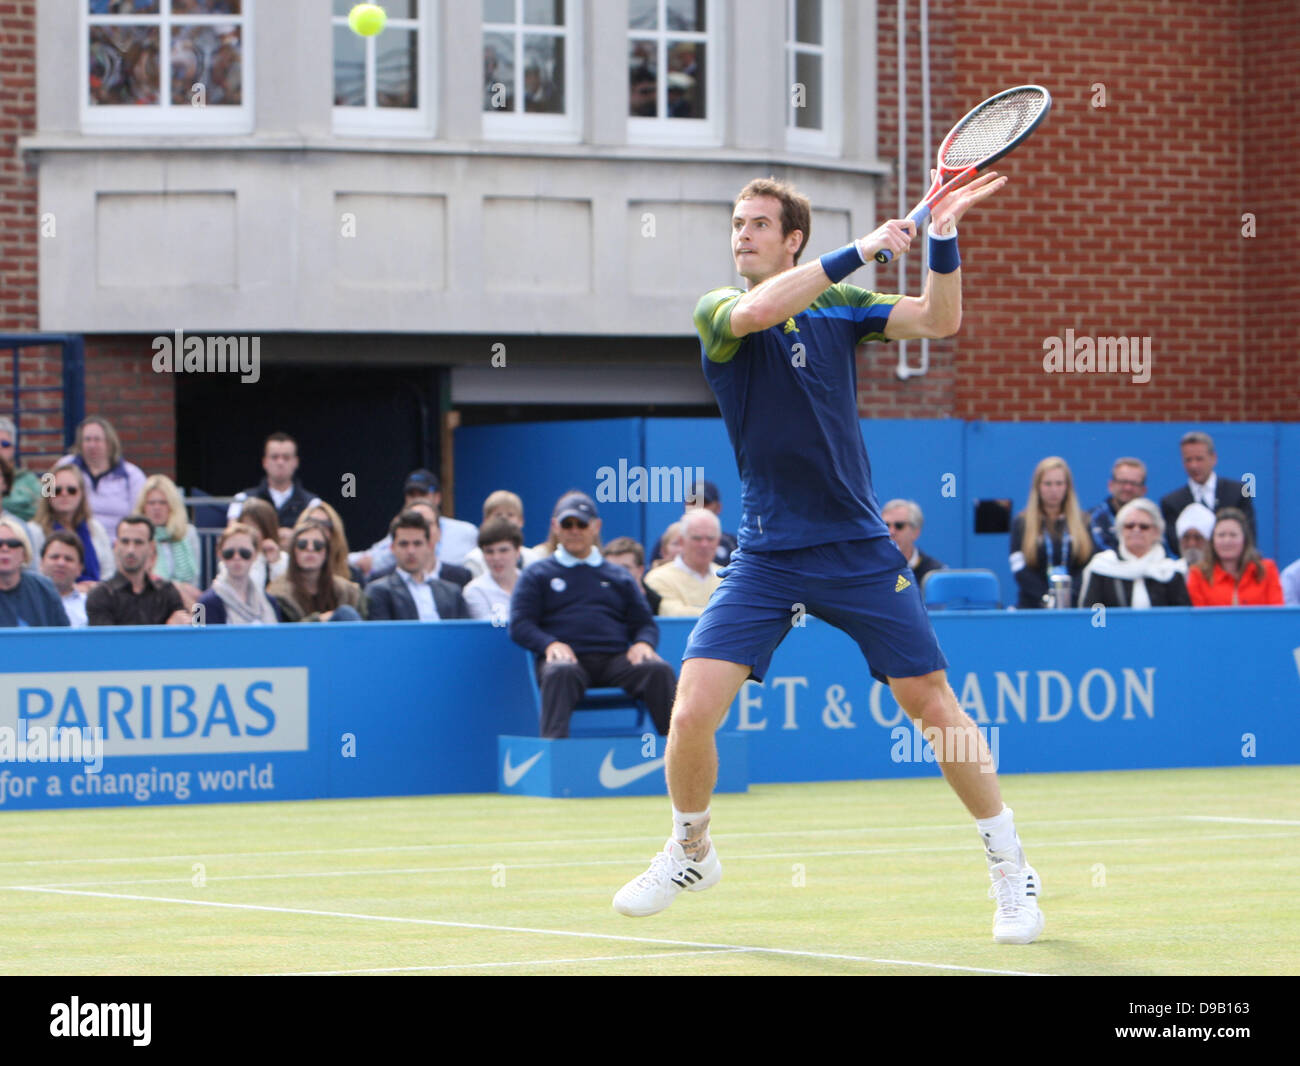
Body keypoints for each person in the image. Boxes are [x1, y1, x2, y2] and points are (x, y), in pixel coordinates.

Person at [611, 173, 1045, 945]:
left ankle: (1011, 869)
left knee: (933, 707)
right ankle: (690, 850)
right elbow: (757, 309)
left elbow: (938, 321)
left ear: (792, 239)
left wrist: (939, 237)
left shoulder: (842, 307)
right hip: (770, 554)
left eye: (758, 225)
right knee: (689, 709)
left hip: (857, 549)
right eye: (737, 223)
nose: (741, 234)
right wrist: (864, 248)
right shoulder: (720, 310)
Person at [509, 491, 674, 740]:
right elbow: (520, 624)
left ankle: (680, 753)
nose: (574, 530)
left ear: (596, 527)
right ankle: (556, 758)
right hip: (567, 660)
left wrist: (642, 643)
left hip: (615, 660)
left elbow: (645, 624)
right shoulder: (537, 575)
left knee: (657, 670)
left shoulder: (618, 576)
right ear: (555, 527)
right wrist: (549, 643)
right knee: (559, 672)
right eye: (567, 524)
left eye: (581, 524)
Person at [1009, 457, 1093, 609]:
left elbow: (1088, 565)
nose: (1054, 490)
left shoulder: (1084, 521)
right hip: (1033, 606)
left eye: (1059, 483)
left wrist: (1070, 595)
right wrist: (1046, 598)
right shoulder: (1022, 523)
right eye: (1048, 484)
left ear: (1067, 487)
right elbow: (1019, 568)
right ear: (1038, 487)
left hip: (1075, 606)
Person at [1077, 499, 1190, 608]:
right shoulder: (1103, 567)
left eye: (1144, 527)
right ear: (1120, 530)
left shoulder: (1170, 571)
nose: (1136, 530)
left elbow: (1181, 618)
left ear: (1156, 532)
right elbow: (1093, 616)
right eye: (1129, 526)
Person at [1159, 431, 1255, 556]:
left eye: (1199, 459)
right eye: (1188, 460)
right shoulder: (1171, 502)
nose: (1194, 465)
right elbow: (1175, 544)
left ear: (1213, 458)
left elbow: (1249, 536)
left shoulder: (1238, 492)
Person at [56, 415, 146, 542]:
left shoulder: (133, 475)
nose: (92, 445)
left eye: (97, 440)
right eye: (87, 439)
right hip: (73, 542)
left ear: (109, 443)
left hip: (117, 545)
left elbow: (140, 517)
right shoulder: (62, 465)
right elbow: (44, 496)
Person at [366, 512, 469, 621]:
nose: (411, 551)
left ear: (429, 546)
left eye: (417, 544)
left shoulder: (452, 592)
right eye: (404, 544)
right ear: (392, 548)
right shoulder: (378, 591)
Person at [86, 516, 188, 626]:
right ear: (116, 545)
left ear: (151, 547)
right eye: (125, 542)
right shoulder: (101, 594)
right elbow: (107, 642)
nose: (131, 550)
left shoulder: (167, 592)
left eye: (138, 542)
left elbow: (195, 627)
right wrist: (168, 630)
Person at [226, 432, 321, 544]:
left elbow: (320, 539)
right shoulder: (241, 499)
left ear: (296, 462)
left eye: (286, 457)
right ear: (264, 462)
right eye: (274, 457)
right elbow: (231, 536)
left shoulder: (313, 504)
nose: (280, 462)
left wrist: (295, 537)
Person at [30, 463, 114, 587]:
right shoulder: (34, 531)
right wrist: (72, 589)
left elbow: (109, 572)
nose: (64, 494)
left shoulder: (95, 528)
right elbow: (34, 575)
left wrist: (94, 588)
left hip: (94, 598)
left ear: (81, 494)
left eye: (72, 490)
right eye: (57, 490)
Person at [267, 517, 364, 622]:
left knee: (346, 613)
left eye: (318, 545)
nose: (310, 549)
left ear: (326, 552)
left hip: (342, 637)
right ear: (293, 551)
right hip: (300, 638)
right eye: (302, 545)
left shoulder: (348, 592)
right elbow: (282, 635)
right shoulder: (278, 594)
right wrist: (318, 620)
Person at [1186, 507, 1284, 607]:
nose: (1227, 541)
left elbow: (1277, 614)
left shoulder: (1266, 570)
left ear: (1244, 539)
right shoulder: (1197, 574)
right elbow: (1198, 619)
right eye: (1221, 535)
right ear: (1212, 541)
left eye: (1233, 535)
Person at [135, 474, 202, 608]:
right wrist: (175, 588)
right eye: (151, 503)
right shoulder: (137, 536)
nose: (157, 508)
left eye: (162, 502)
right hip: (149, 601)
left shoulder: (189, 533)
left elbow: (195, 580)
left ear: (172, 506)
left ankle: (198, 628)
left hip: (186, 599)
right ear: (143, 507)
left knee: (201, 607)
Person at [196, 523, 281, 625]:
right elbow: (195, 638)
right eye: (229, 553)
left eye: (244, 553)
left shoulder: (270, 602)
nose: (237, 558)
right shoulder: (202, 604)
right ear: (220, 554)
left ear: (255, 555)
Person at [643, 508, 723, 616]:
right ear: (682, 541)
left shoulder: (726, 577)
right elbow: (673, 613)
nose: (704, 545)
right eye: (697, 538)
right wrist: (723, 614)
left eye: (710, 538)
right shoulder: (658, 578)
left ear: (718, 541)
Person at [0, 517, 69, 627]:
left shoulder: (44, 588)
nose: (5, 548)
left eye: (13, 543)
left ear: (24, 552)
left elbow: (63, 635)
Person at [462, 490, 543, 578]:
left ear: (521, 521)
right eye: (498, 515)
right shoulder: (474, 560)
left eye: (510, 515)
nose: (504, 519)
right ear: (486, 520)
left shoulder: (534, 558)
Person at [463, 518, 523, 623]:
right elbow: (490, 630)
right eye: (489, 552)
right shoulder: (474, 590)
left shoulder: (535, 584)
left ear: (517, 551)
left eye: (503, 550)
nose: (496, 558)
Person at [223, 496, 287, 589]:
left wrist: (275, 563)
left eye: (255, 528)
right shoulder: (233, 557)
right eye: (246, 527)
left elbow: (282, 591)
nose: (250, 533)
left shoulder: (283, 558)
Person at [1087, 457, 1149, 553]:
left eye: (1134, 483)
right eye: (1123, 482)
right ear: (1110, 485)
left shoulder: (1152, 522)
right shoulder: (1090, 520)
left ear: (1144, 490)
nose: (1128, 488)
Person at [881, 498, 945, 586]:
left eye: (899, 526)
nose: (891, 532)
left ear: (915, 532)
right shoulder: (871, 569)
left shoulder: (934, 573)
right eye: (886, 525)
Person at [39, 531, 89, 627]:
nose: (61, 563)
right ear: (41, 563)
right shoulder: (28, 602)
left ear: (80, 568)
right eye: (55, 557)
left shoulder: (89, 605)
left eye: (68, 559)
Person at [0, 416, 42, 522]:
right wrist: (22, 503)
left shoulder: (28, 479)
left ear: (13, 449)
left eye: (4, 444)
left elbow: (42, 510)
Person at [603, 535, 660, 613]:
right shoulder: (593, 598)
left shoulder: (657, 604)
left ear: (640, 570)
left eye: (625, 568)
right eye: (611, 568)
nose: (617, 573)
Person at [1173, 502, 1216, 568]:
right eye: (1186, 538)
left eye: (1198, 538)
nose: (1192, 544)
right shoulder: (1169, 573)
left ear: (1209, 542)